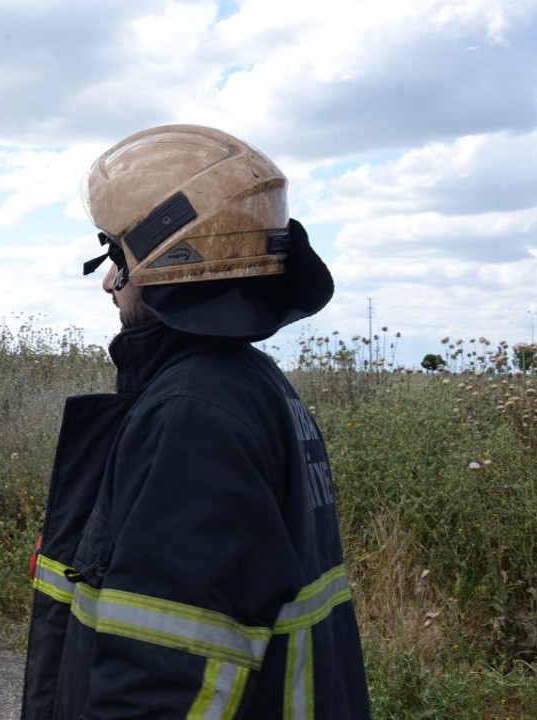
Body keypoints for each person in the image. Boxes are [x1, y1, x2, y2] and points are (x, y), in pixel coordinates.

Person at [21, 125, 371, 718]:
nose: (108, 282)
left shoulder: (193, 415)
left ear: (171, 262)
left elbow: (165, 673)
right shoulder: (250, 385)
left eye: (118, 258)